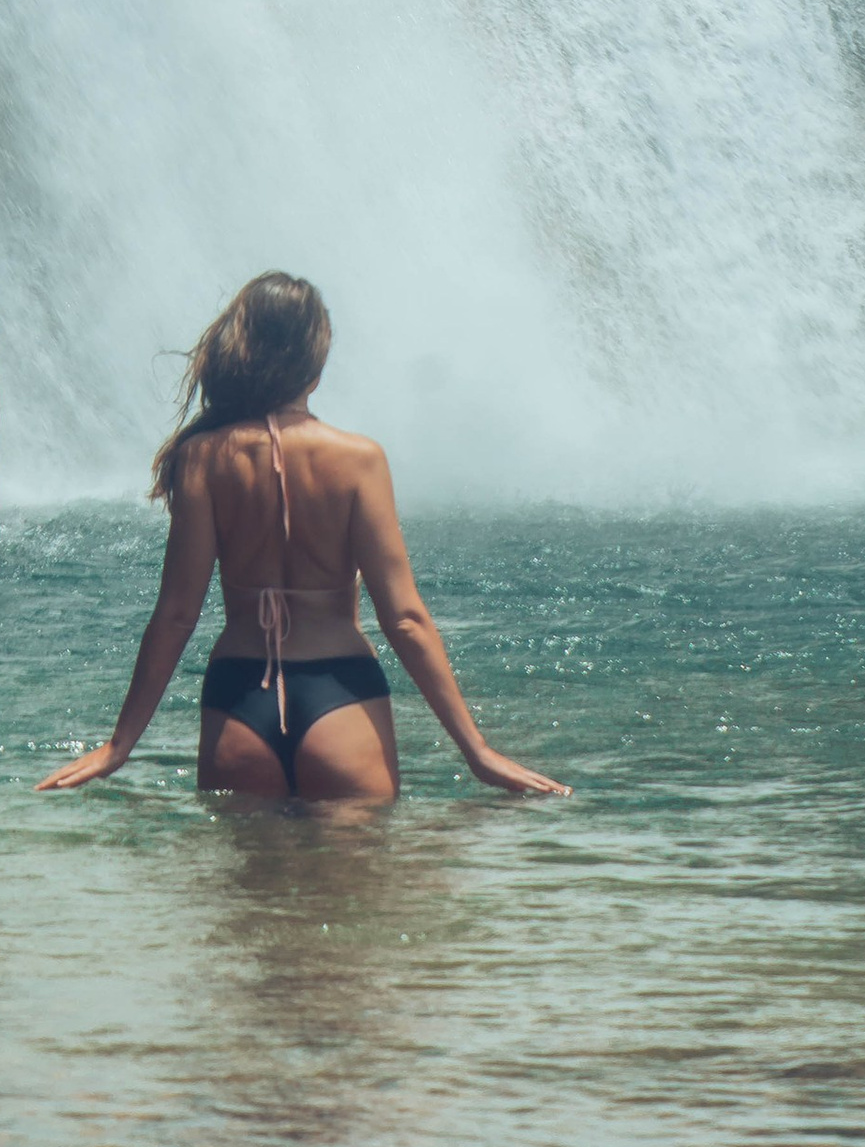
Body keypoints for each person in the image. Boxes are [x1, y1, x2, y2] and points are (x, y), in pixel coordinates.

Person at [36, 271, 569, 805]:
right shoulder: (359, 461)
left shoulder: (204, 458)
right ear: (314, 367)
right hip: (343, 698)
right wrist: (476, 750)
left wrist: (118, 744)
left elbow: (176, 614)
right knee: (355, 887)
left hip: (238, 700)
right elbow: (404, 619)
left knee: (248, 887)